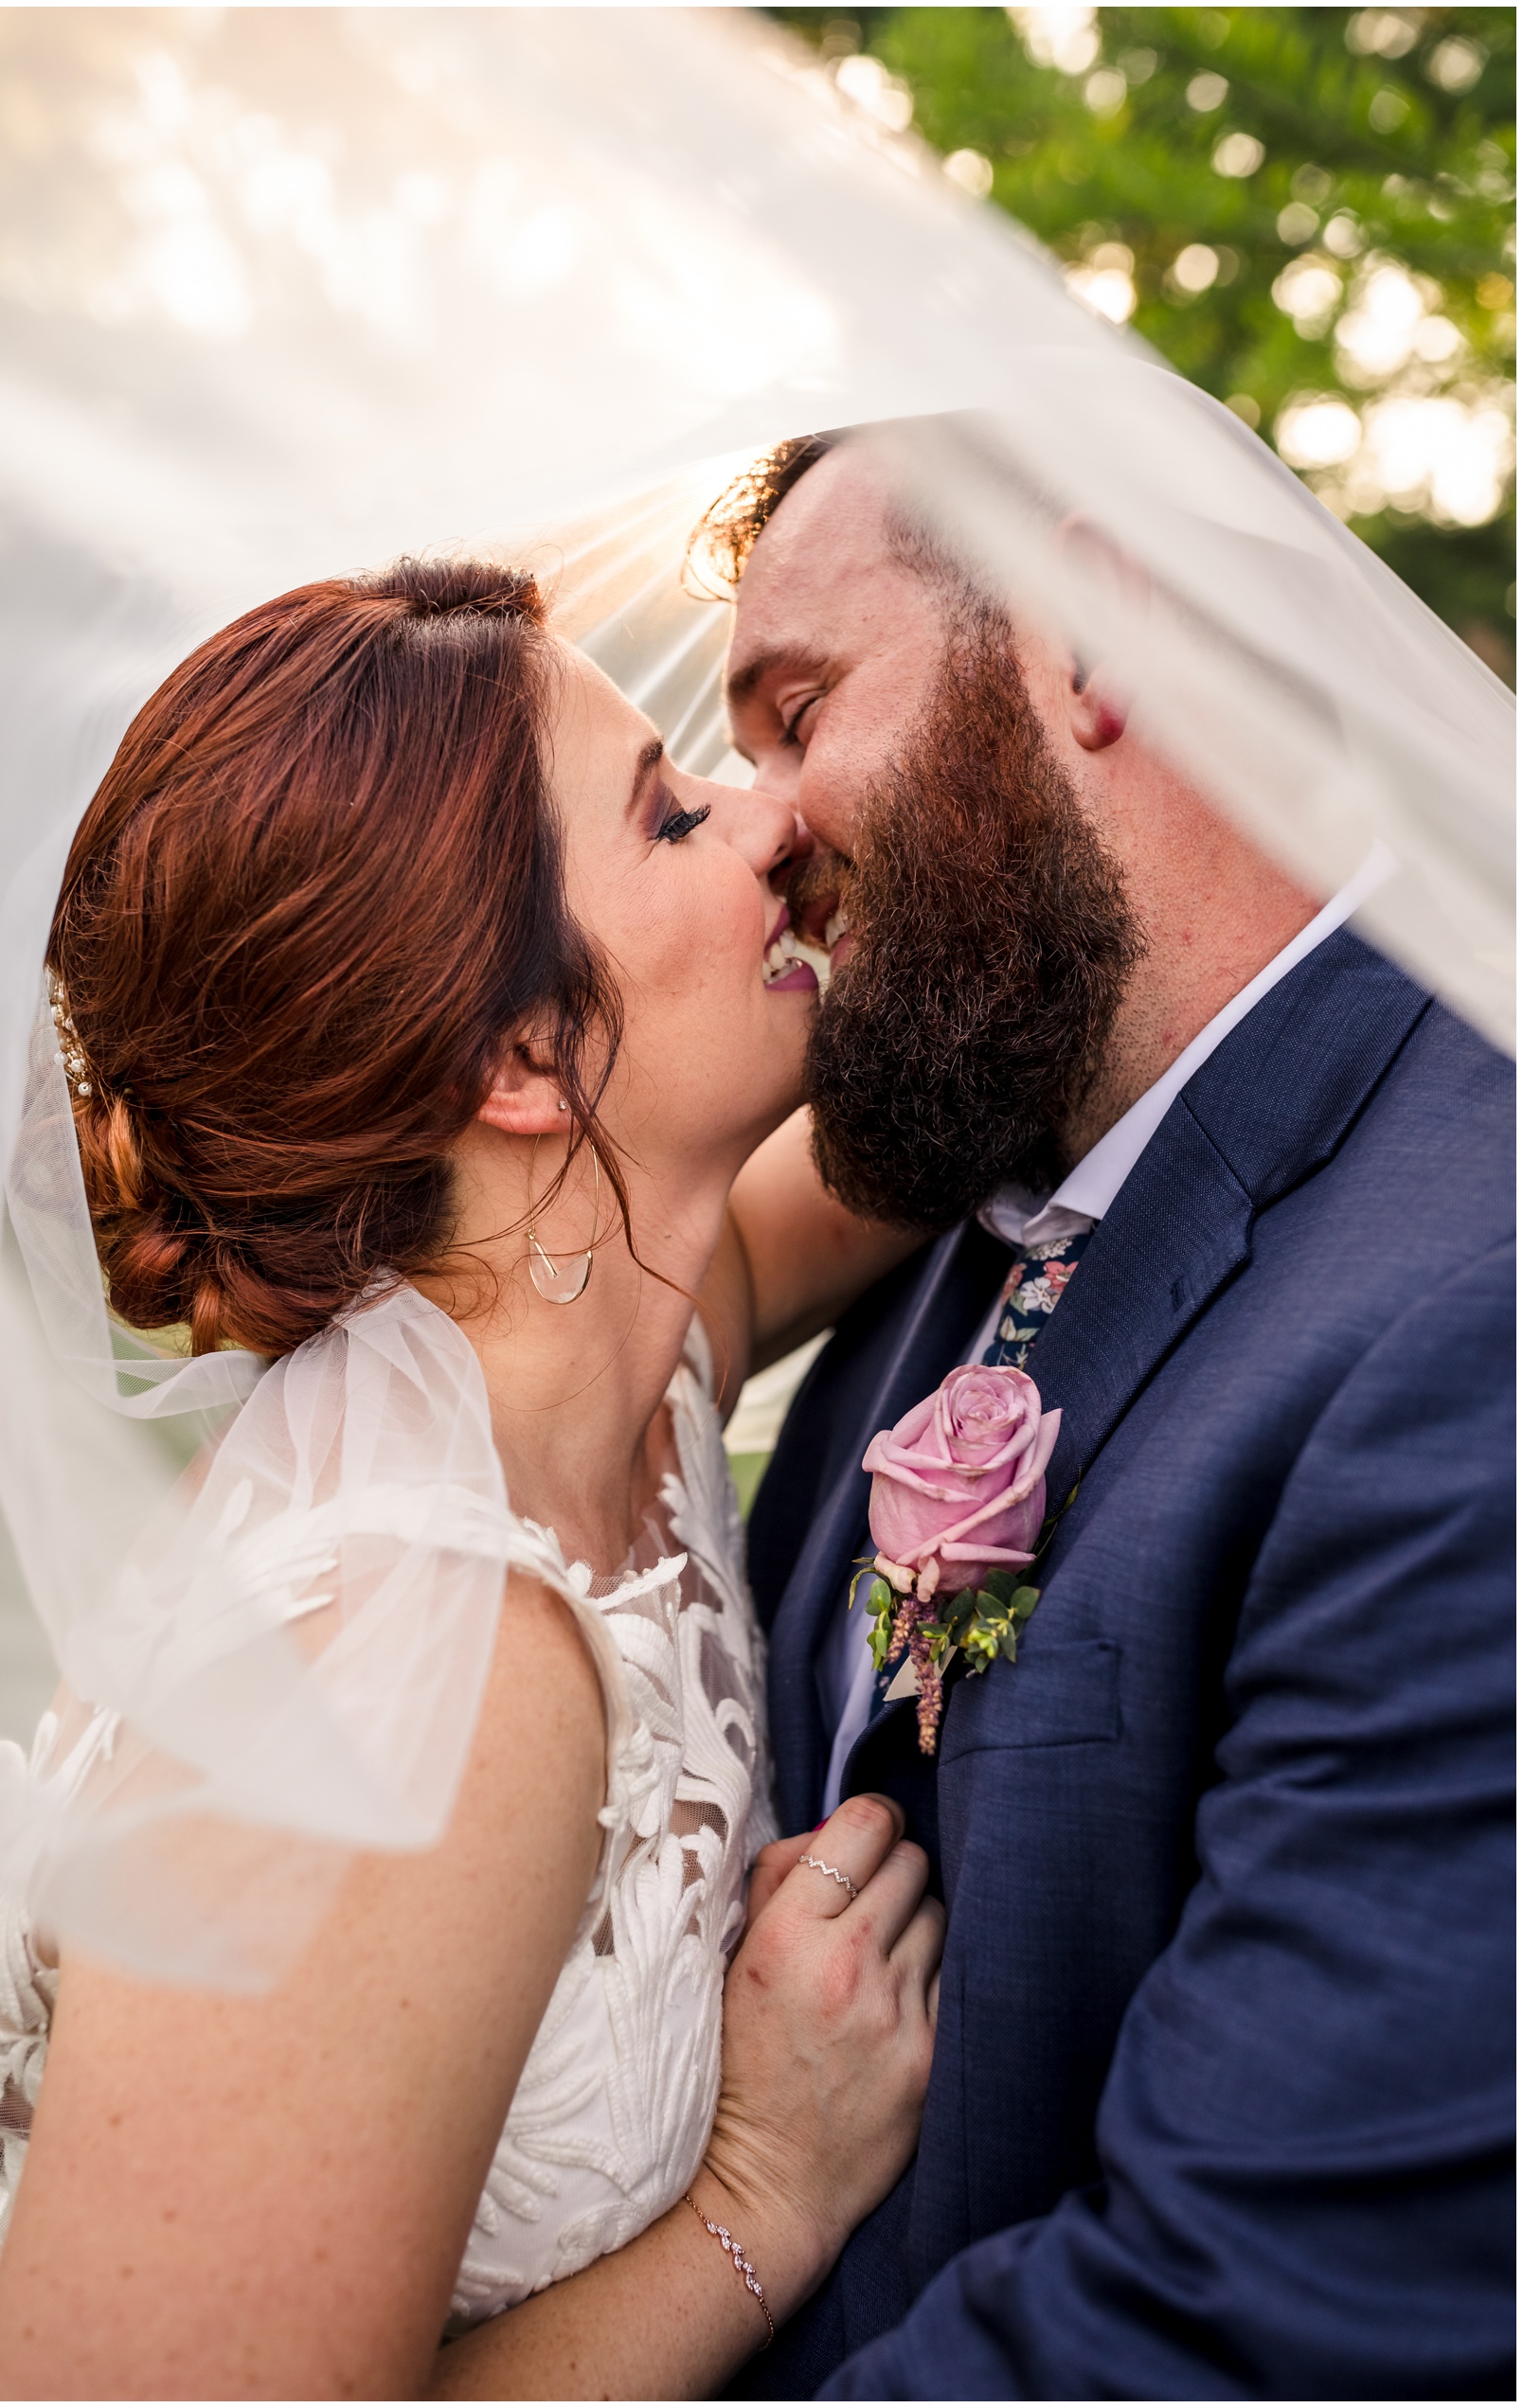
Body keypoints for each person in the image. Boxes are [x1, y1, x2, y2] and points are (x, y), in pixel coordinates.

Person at [0, 557, 943, 2399]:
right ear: (522, 1055)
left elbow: (955, 1107)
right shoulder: (417, 1667)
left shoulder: (617, 1353)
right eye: (672, 810)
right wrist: (763, 2197)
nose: (769, 812)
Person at [706, 435, 1515, 2399]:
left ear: (1093, 640)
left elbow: (1254, 2323)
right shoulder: (950, 1202)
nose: (751, 828)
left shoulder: (1470, 1313)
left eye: (796, 711)